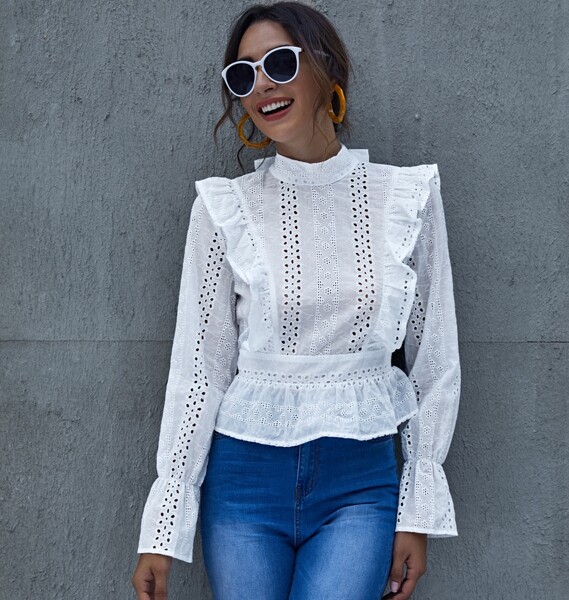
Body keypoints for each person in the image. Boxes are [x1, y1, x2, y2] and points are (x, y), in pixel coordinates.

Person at [131, 2, 461, 599]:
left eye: (279, 63)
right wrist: (163, 526)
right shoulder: (224, 208)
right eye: (243, 75)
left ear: (325, 69)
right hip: (243, 483)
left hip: (359, 483)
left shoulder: (406, 199)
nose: (261, 85)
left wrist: (417, 512)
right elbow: (199, 371)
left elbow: (434, 363)